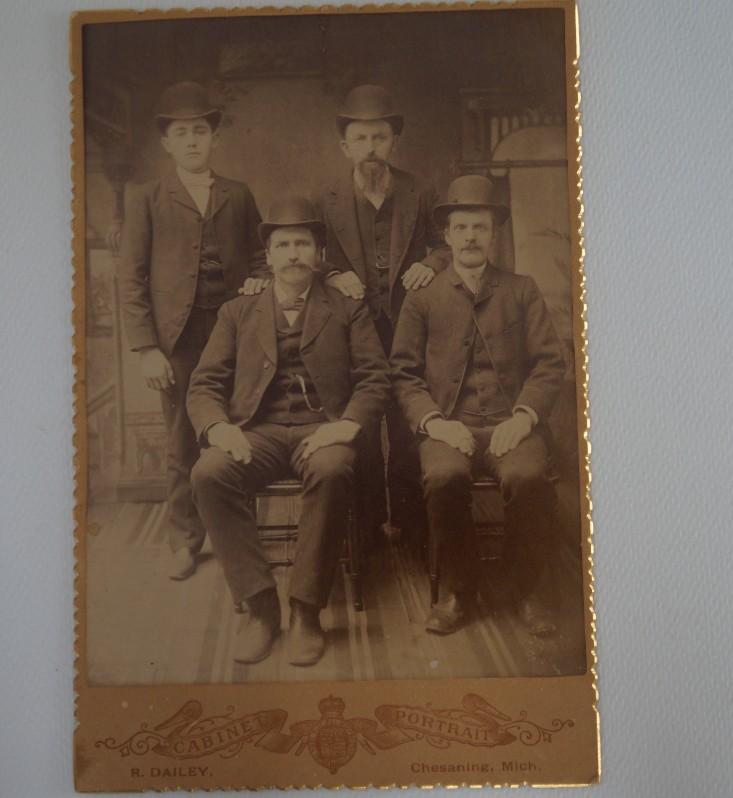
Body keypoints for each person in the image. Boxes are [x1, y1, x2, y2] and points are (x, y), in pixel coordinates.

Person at [187, 196, 389, 666]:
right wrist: (219, 428)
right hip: (257, 431)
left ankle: (305, 610)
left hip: (323, 429)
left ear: (319, 255)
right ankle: (259, 607)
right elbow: (203, 384)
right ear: (270, 255)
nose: (294, 253)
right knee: (208, 473)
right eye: (284, 245)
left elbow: (376, 378)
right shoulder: (237, 312)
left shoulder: (346, 309)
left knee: (335, 469)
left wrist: (346, 426)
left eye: (303, 243)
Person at [390, 175, 567, 636]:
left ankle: (525, 587)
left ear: (494, 235)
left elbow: (550, 364)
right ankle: (458, 590)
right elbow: (403, 373)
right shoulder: (422, 297)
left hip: (512, 424)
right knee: (444, 476)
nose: (471, 236)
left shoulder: (521, 290)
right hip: (450, 425)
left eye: (481, 227)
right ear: (446, 236)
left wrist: (525, 417)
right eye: (462, 227)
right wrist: (435, 423)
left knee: (528, 478)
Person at [118, 82, 268, 581]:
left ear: (214, 137)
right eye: (181, 133)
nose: (191, 141)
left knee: (238, 431)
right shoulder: (147, 198)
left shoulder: (239, 196)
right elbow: (131, 276)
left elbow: (260, 258)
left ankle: (238, 537)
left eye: (200, 131)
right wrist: (145, 348)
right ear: (166, 143)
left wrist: (257, 278)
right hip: (177, 340)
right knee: (183, 441)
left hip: (232, 335)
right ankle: (185, 539)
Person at [316, 84, 451, 544]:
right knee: (363, 423)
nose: (370, 148)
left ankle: (412, 524)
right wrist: (334, 274)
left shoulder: (420, 191)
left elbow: (444, 246)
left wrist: (427, 264)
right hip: (353, 328)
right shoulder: (327, 198)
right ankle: (369, 526)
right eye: (360, 139)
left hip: (412, 325)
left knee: (408, 420)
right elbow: (313, 257)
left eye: (379, 138)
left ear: (394, 142)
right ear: (345, 146)